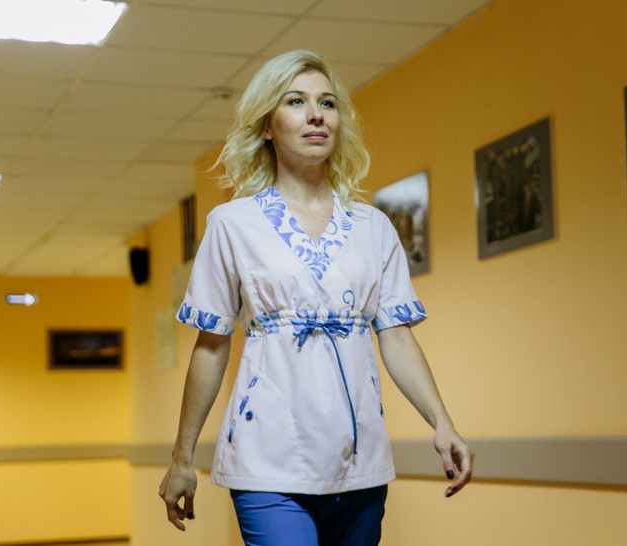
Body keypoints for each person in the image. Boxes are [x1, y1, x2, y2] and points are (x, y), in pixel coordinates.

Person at [159, 49, 474, 546]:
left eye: (327, 103)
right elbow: (211, 346)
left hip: (360, 460)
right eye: (295, 101)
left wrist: (442, 422)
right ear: (267, 125)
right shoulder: (232, 224)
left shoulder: (373, 226)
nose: (315, 115)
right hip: (266, 461)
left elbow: (396, 337)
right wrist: (182, 457)